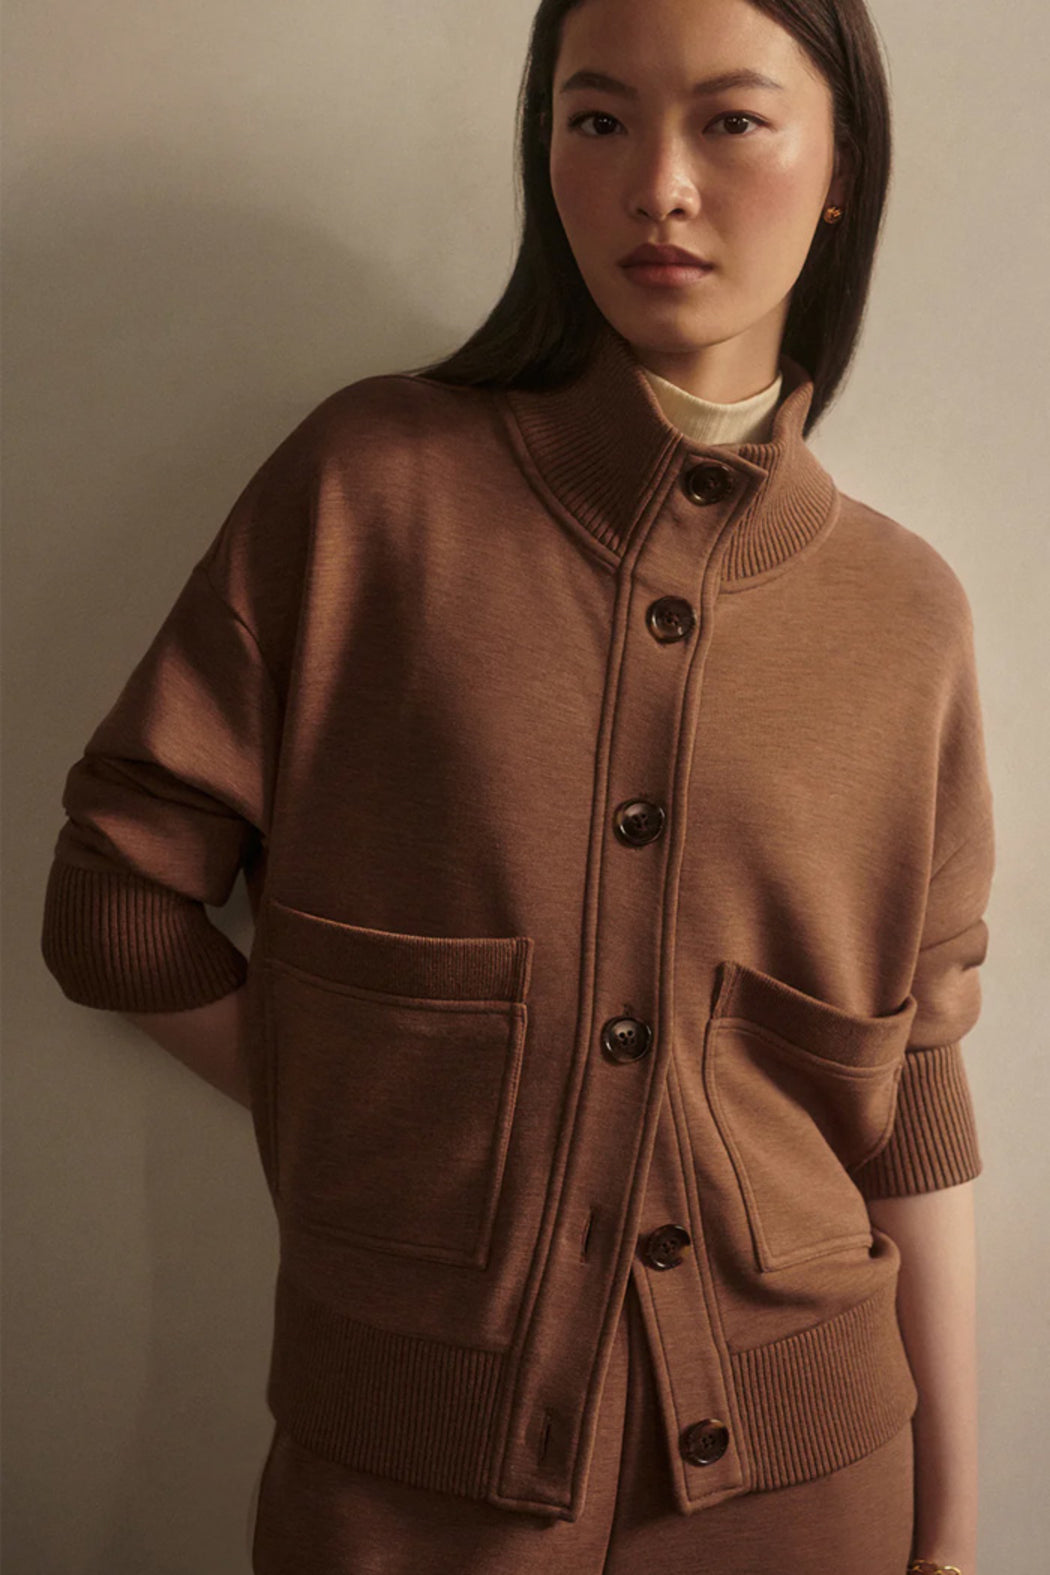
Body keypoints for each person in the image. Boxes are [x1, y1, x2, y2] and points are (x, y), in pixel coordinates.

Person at [40, 0, 993, 1571]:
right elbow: (113, 905)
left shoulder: (902, 614)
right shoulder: (370, 492)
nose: (655, 185)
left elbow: (913, 1099)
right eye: (595, 118)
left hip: (815, 1489)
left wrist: (952, 1537)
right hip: (405, 1474)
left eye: (729, 121)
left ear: (841, 169)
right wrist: (390, 1098)